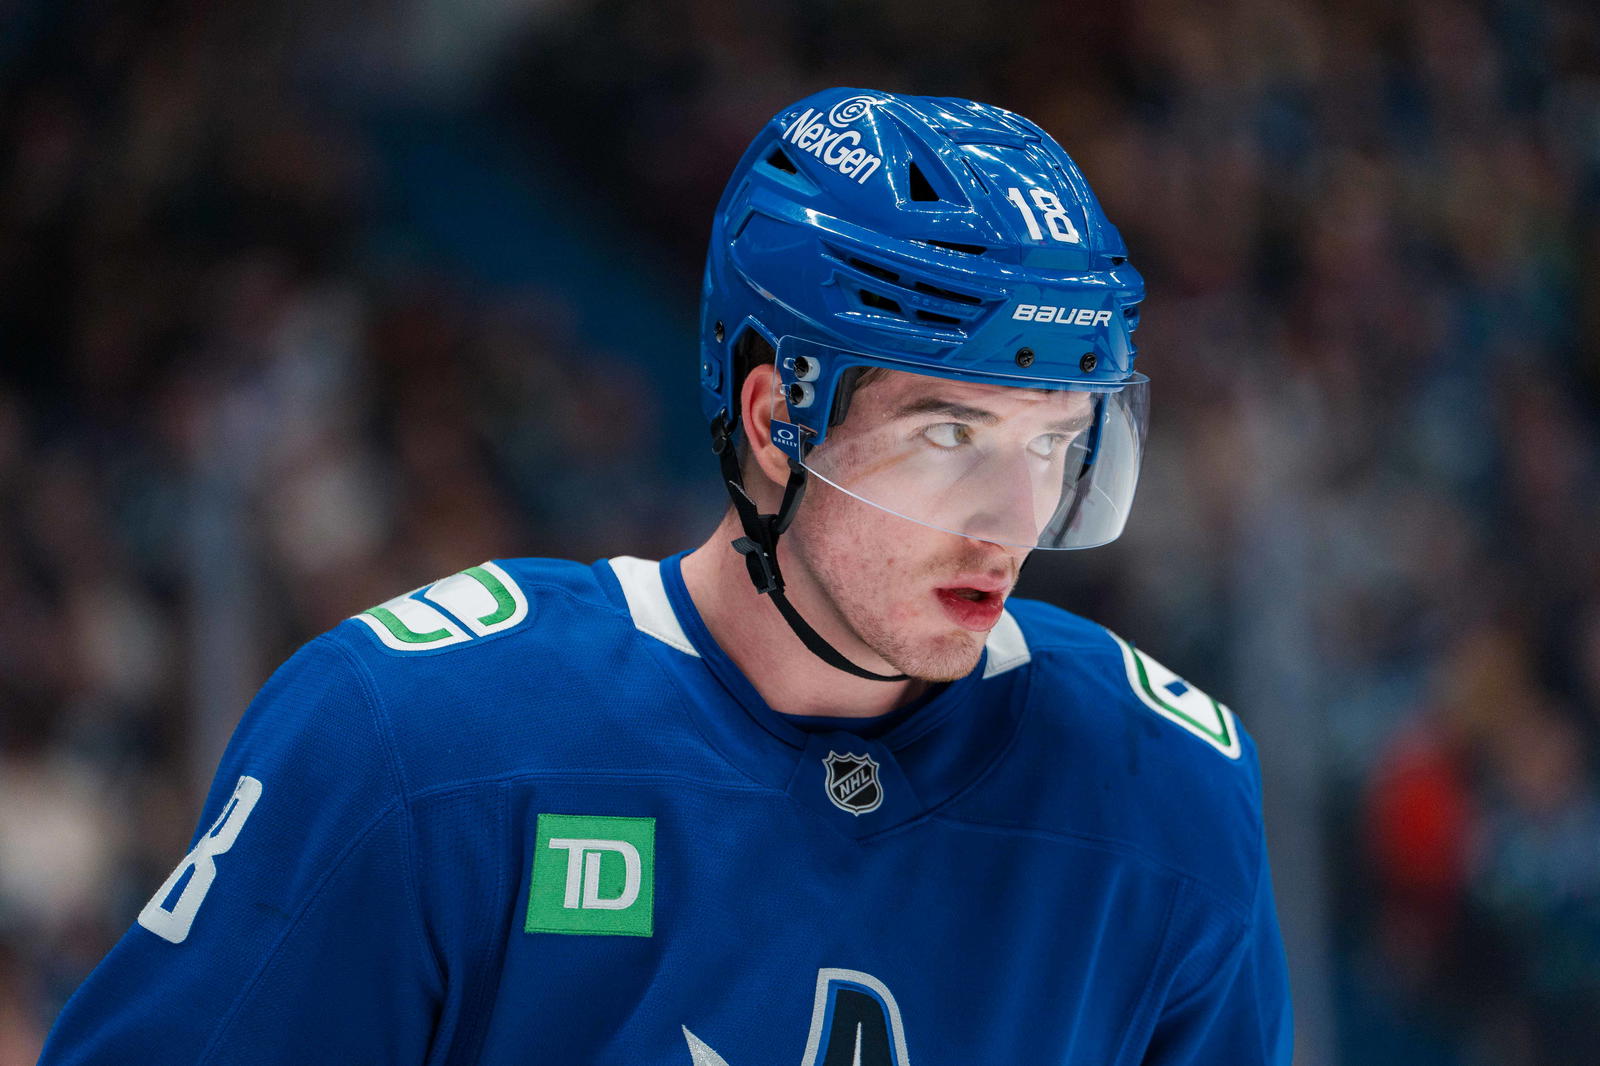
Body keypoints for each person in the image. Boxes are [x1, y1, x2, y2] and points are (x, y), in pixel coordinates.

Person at [40, 88, 1292, 1064]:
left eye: (1056, 443)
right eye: (948, 435)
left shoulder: (1163, 791)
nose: (1011, 520)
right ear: (771, 419)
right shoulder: (415, 742)